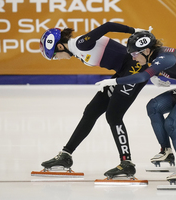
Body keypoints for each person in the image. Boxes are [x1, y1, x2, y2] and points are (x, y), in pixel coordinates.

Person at [39, 22, 161, 178]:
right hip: (123, 71)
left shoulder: (80, 44)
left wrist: (135, 30)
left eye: (55, 56)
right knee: (91, 111)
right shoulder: (77, 50)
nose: (58, 59)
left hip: (134, 68)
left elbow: (107, 26)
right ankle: (65, 155)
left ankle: (126, 164)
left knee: (113, 116)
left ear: (61, 47)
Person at [96, 30, 176, 183]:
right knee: (154, 106)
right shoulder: (155, 55)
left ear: (146, 50)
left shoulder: (164, 58)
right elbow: (152, 69)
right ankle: (166, 151)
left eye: (134, 54)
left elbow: (142, 76)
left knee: (172, 124)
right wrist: (155, 76)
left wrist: (113, 81)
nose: (133, 58)